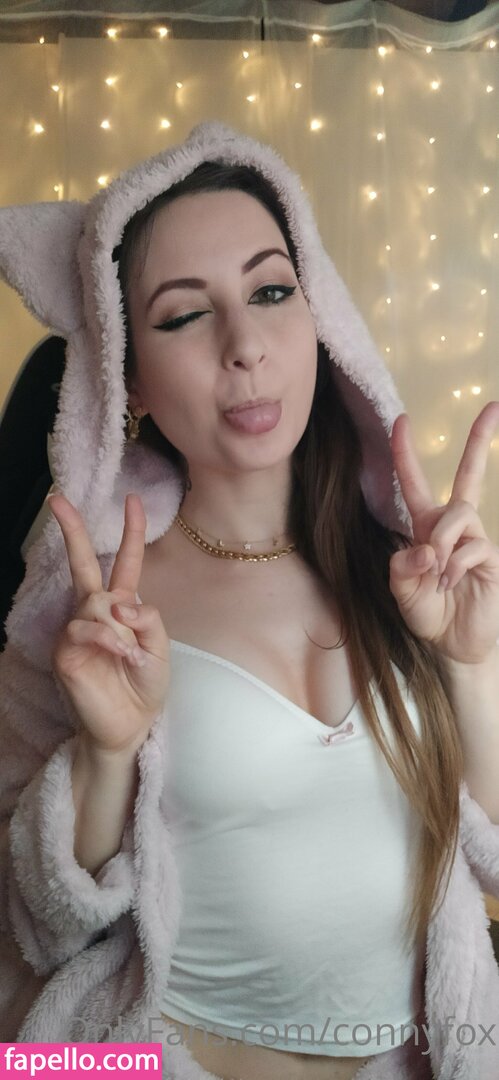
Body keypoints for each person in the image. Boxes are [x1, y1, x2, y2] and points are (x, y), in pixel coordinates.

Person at [1, 120, 499, 1080]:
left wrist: (472, 663)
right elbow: (35, 924)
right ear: (128, 376)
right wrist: (106, 753)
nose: (245, 347)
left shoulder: (413, 571)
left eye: (271, 293)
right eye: (185, 315)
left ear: (319, 321)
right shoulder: (92, 606)